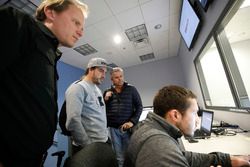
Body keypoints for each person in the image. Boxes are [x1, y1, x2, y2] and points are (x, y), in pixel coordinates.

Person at [0, 1, 88, 167]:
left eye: (82, 27)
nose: (80, 32)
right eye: (76, 22)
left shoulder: (50, 52)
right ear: (51, 12)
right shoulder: (18, 23)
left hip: (33, 157)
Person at [124, 85, 250, 167]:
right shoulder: (159, 147)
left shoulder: (155, 128)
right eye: (194, 113)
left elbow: (182, 156)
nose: (197, 120)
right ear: (175, 115)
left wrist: (225, 159)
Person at [65, 57, 110, 155]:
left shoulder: (97, 89)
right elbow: (73, 120)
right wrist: (87, 145)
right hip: (88, 147)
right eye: (101, 71)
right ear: (90, 69)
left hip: (103, 141)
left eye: (105, 72)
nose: (104, 76)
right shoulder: (78, 88)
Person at [104, 67, 143, 167]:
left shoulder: (132, 89)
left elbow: (139, 106)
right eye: (116, 77)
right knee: (118, 156)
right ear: (112, 79)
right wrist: (105, 99)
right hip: (113, 129)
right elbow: (102, 109)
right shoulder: (107, 92)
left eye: (121, 76)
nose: (120, 79)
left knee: (130, 155)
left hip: (127, 128)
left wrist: (132, 122)